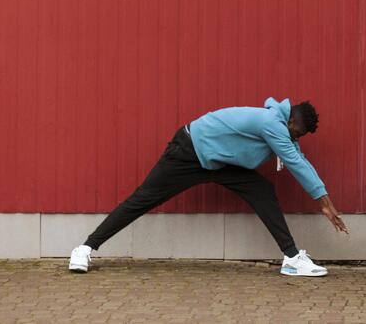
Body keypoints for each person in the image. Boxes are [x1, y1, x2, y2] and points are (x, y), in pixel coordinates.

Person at [68, 98, 347, 276]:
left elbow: (299, 159)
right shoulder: (271, 123)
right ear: (290, 121)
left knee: (261, 190)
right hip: (188, 152)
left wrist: (324, 200)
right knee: (143, 199)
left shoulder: (283, 128)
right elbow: (295, 163)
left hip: (218, 162)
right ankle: (85, 248)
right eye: (296, 133)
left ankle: (292, 259)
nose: (295, 138)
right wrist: (324, 203)